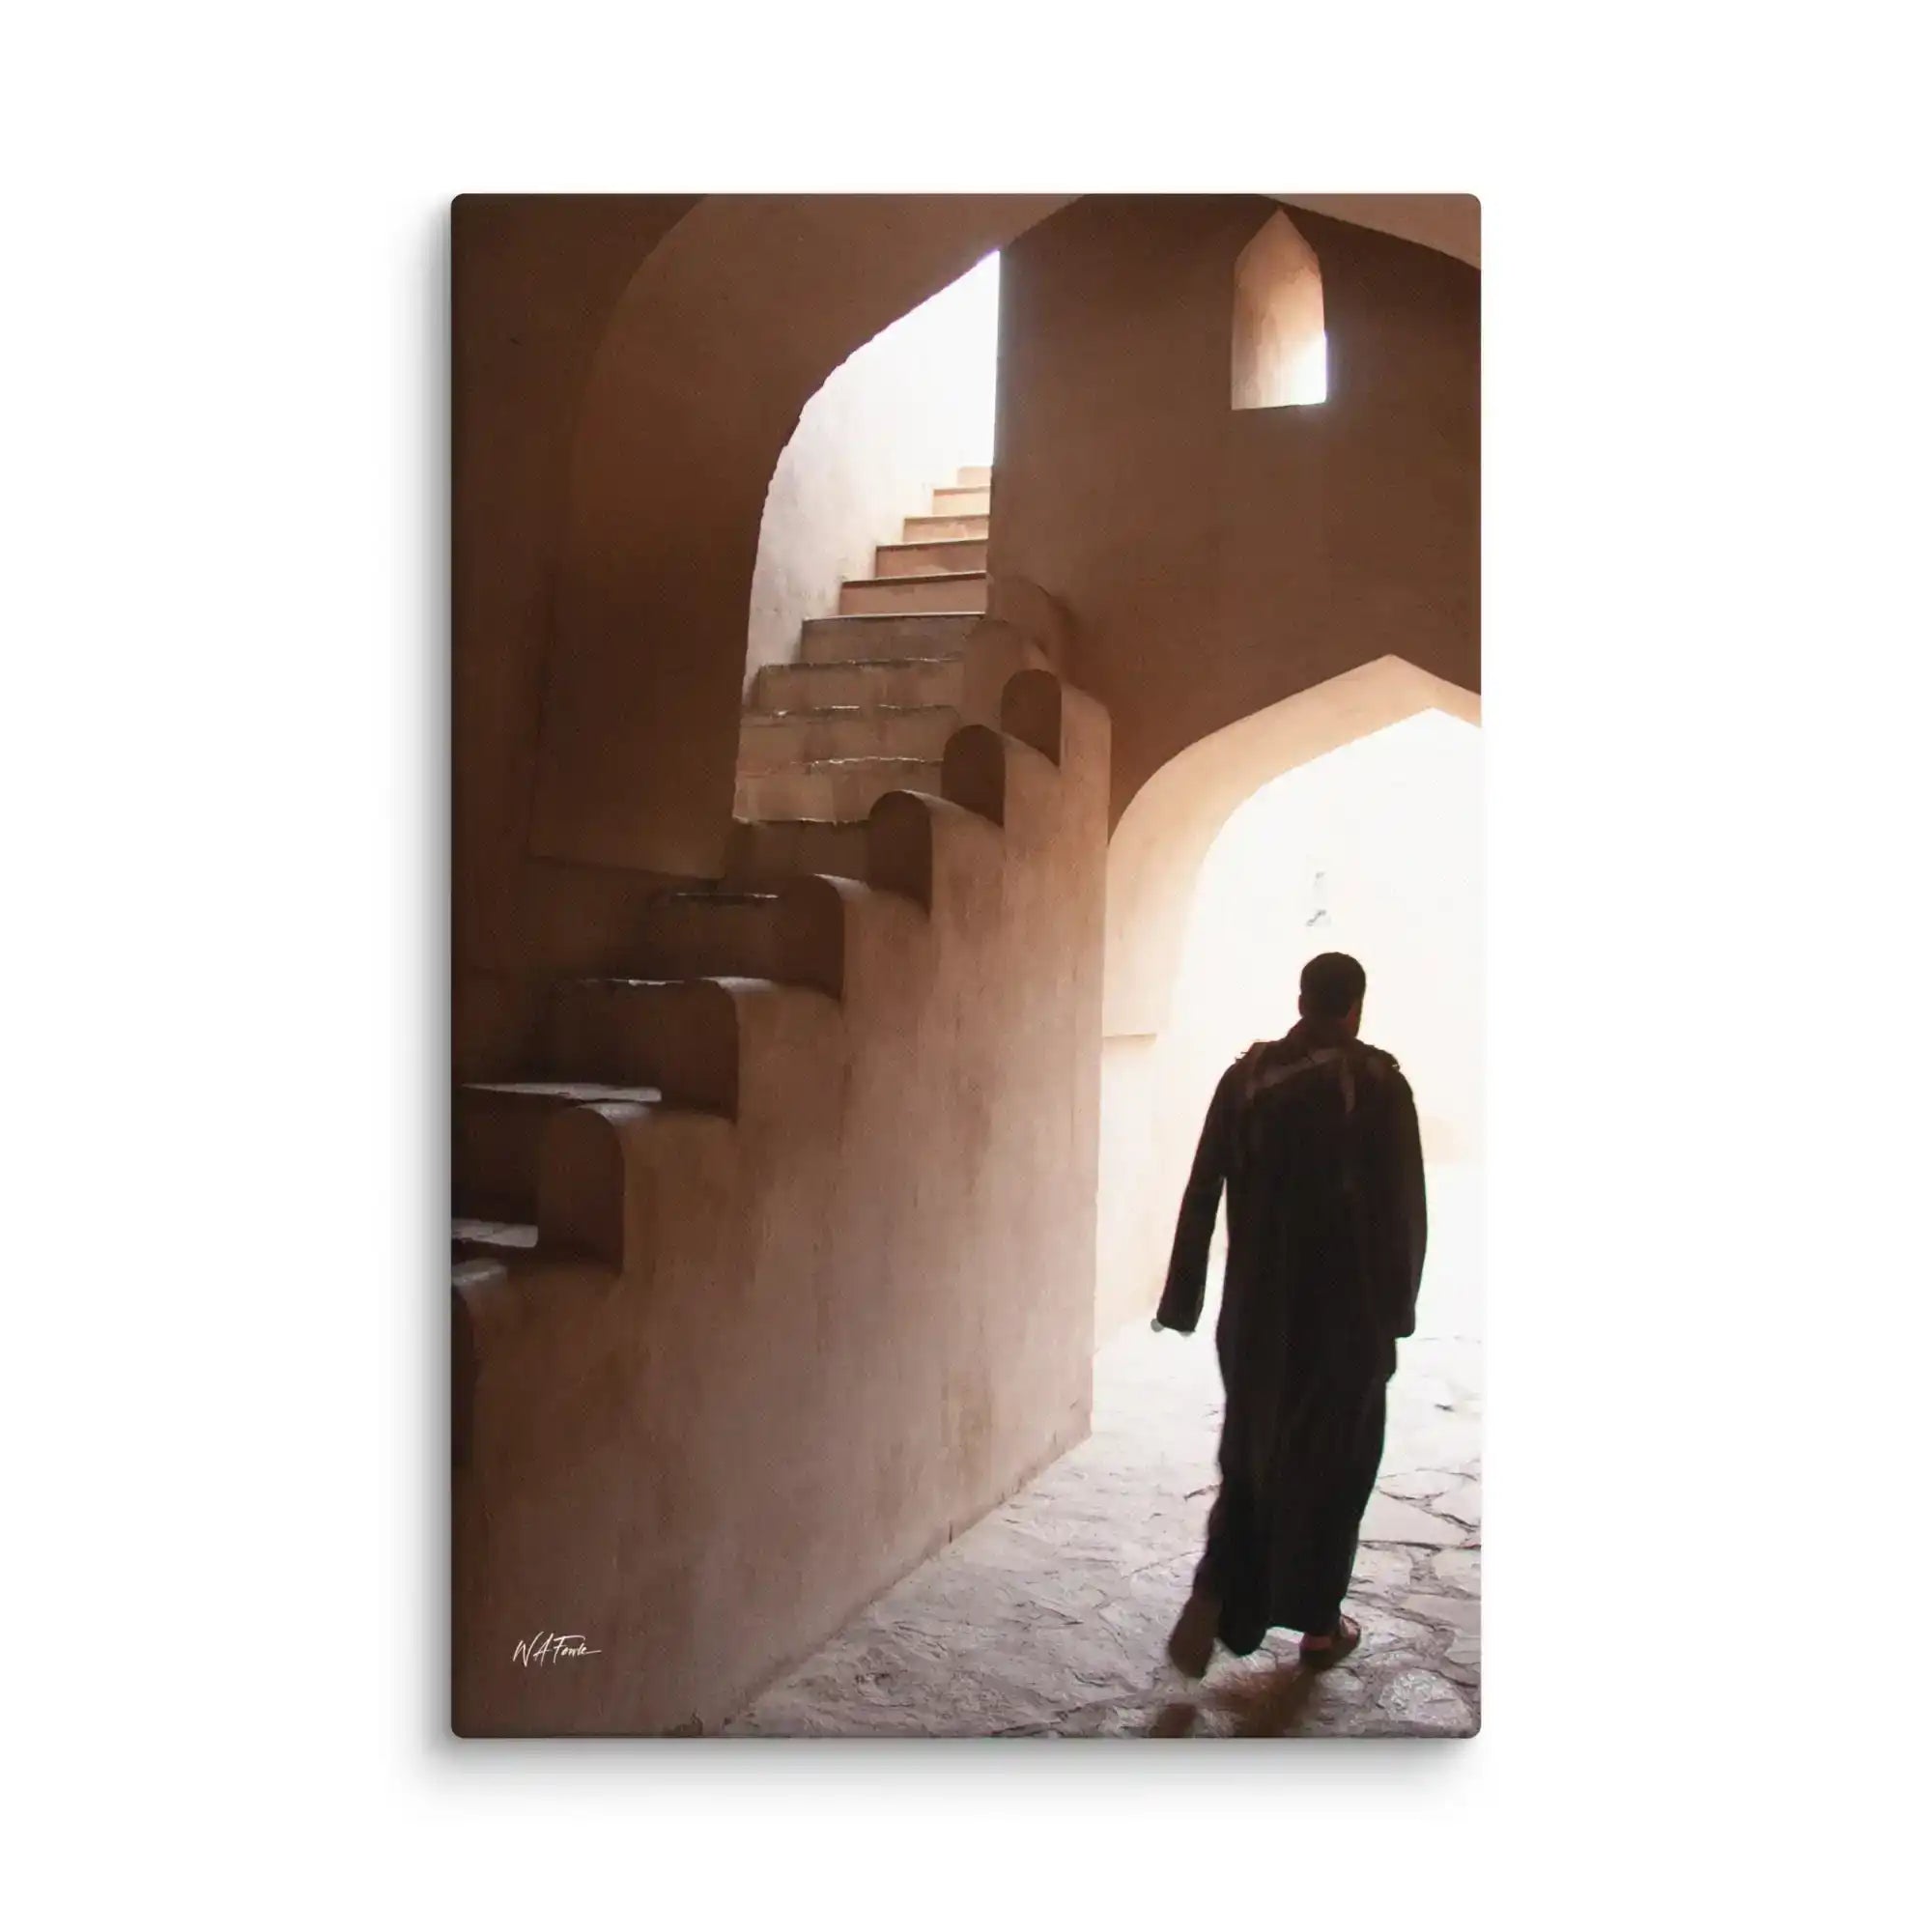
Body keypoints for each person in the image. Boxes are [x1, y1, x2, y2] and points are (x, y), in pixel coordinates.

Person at [1155, 952, 1427, 1678]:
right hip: (1344, 1317)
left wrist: (1183, 1300)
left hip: (1256, 1313)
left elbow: (1201, 1188)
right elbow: (1403, 1209)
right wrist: (1396, 1311)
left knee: (1251, 1452)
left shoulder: (1244, 1078)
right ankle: (1316, 1627)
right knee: (1335, 1467)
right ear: (1355, 1007)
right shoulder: (1376, 1086)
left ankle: (1222, 1585)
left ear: (1300, 999)